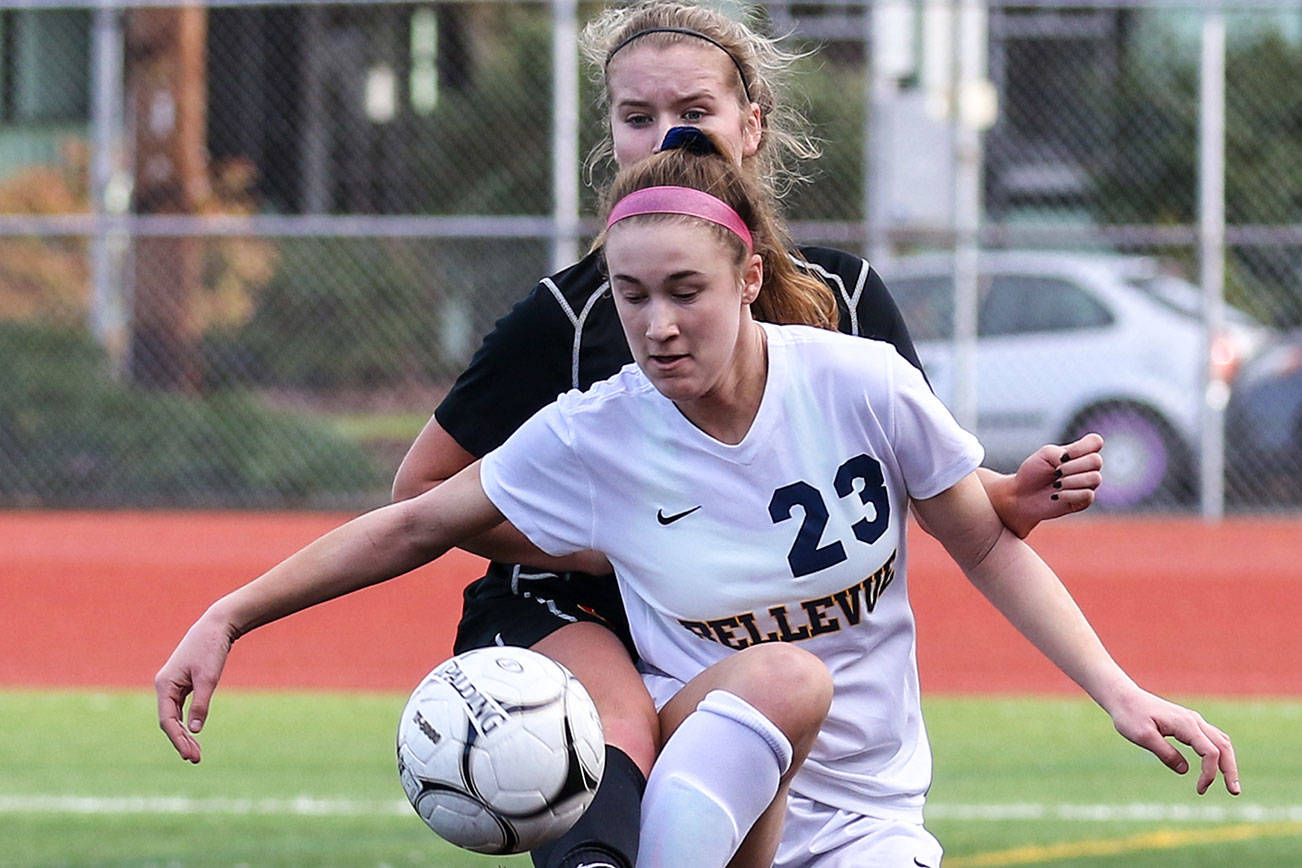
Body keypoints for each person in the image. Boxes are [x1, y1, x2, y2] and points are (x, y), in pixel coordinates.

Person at [158, 134, 1239, 868]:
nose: (658, 323)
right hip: (703, 798)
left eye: (686, 291)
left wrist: (1120, 692)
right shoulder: (597, 430)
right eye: (632, 296)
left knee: (796, 676)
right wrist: (228, 613)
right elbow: (413, 519)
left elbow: (990, 545)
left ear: (749, 280)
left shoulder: (859, 383)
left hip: (870, 812)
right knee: (782, 673)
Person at [390, 4, 1103, 865]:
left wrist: (1011, 498)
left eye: (694, 111)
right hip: (576, 607)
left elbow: (920, 484)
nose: (667, 136)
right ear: (608, 135)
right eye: (637, 117)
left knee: (774, 715)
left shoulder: (843, 306)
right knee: (618, 729)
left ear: (752, 124)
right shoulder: (569, 316)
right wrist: (608, 550)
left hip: (741, 623)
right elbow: (421, 496)